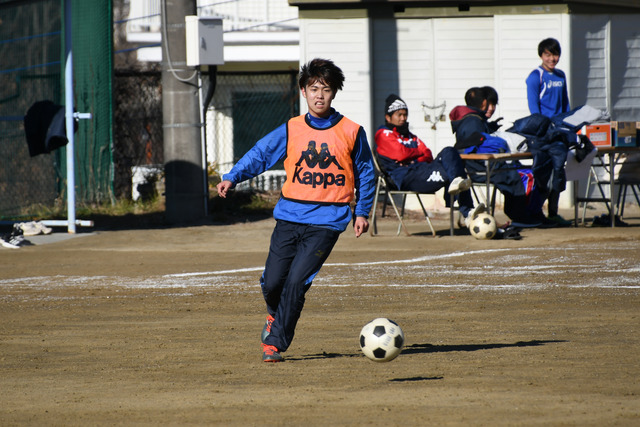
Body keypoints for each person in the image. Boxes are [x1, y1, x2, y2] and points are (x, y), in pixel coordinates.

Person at [216, 58, 375, 363]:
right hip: (289, 217)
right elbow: (261, 154)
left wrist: (362, 211)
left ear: (334, 93)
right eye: (314, 88)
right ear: (303, 90)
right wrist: (232, 176)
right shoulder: (292, 128)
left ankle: (275, 344)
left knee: (296, 282)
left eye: (326, 90)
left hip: (328, 221)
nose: (319, 95)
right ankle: (273, 314)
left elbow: (366, 172)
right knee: (273, 281)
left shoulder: (352, 131)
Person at [374, 94, 485, 228]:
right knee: (455, 171)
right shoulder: (383, 134)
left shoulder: (410, 136)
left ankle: (463, 200)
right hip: (406, 177)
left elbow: (427, 154)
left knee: (450, 151)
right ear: (388, 117)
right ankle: (467, 212)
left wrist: (411, 157)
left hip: (422, 170)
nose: (403, 118)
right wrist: (414, 154)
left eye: (405, 114)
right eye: (399, 115)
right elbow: (401, 154)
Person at [450, 86, 549, 226]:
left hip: (488, 165)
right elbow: (474, 149)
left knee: (531, 171)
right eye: (489, 103)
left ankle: (533, 214)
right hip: (482, 168)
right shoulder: (472, 121)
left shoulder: (475, 120)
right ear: (483, 102)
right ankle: (520, 217)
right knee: (525, 175)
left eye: (494, 104)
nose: (491, 108)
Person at [526, 38, 572, 226]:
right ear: (541, 55)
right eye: (548, 54)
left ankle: (553, 213)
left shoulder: (560, 75)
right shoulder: (535, 76)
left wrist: (569, 125)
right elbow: (533, 108)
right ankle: (534, 213)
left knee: (558, 174)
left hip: (559, 135)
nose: (552, 58)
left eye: (555, 54)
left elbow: (565, 103)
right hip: (542, 136)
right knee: (542, 174)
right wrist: (544, 127)